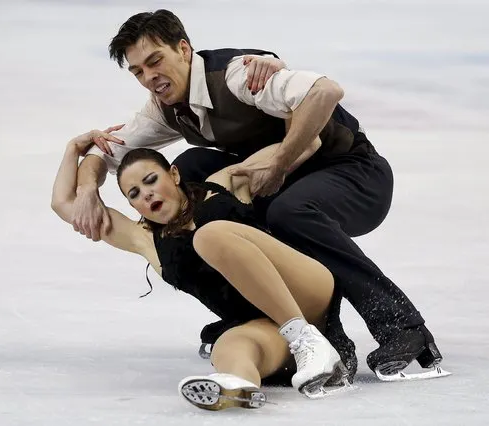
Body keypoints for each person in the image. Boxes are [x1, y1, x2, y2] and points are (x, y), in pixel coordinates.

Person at [68, 9, 445, 380]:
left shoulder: (238, 74)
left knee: (289, 211)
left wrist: (279, 164)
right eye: (138, 72)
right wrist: (87, 189)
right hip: (286, 180)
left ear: (184, 50)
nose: (150, 77)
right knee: (192, 168)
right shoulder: (164, 109)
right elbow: (104, 152)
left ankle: (402, 326)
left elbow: (326, 91)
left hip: (354, 173)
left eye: (155, 61)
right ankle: (251, 310)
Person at [52, 129, 351, 410]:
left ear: (174, 173)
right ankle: (237, 386)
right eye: (134, 193)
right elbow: (64, 202)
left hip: (308, 290)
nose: (146, 194)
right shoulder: (145, 240)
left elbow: (308, 143)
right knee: (229, 345)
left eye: (151, 180)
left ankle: (305, 338)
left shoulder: (224, 183)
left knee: (209, 236)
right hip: (267, 325)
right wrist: (73, 150)